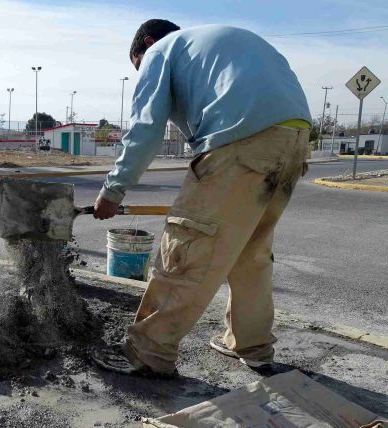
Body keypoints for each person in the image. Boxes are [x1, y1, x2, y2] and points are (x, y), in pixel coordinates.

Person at [91, 20, 312, 377]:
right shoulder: (216, 43)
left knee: (188, 247)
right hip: (295, 140)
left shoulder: (161, 51)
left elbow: (145, 130)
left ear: (147, 44)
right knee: (249, 252)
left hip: (242, 143)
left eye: (138, 65)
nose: (141, 71)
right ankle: (252, 346)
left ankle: (148, 352)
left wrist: (113, 190)